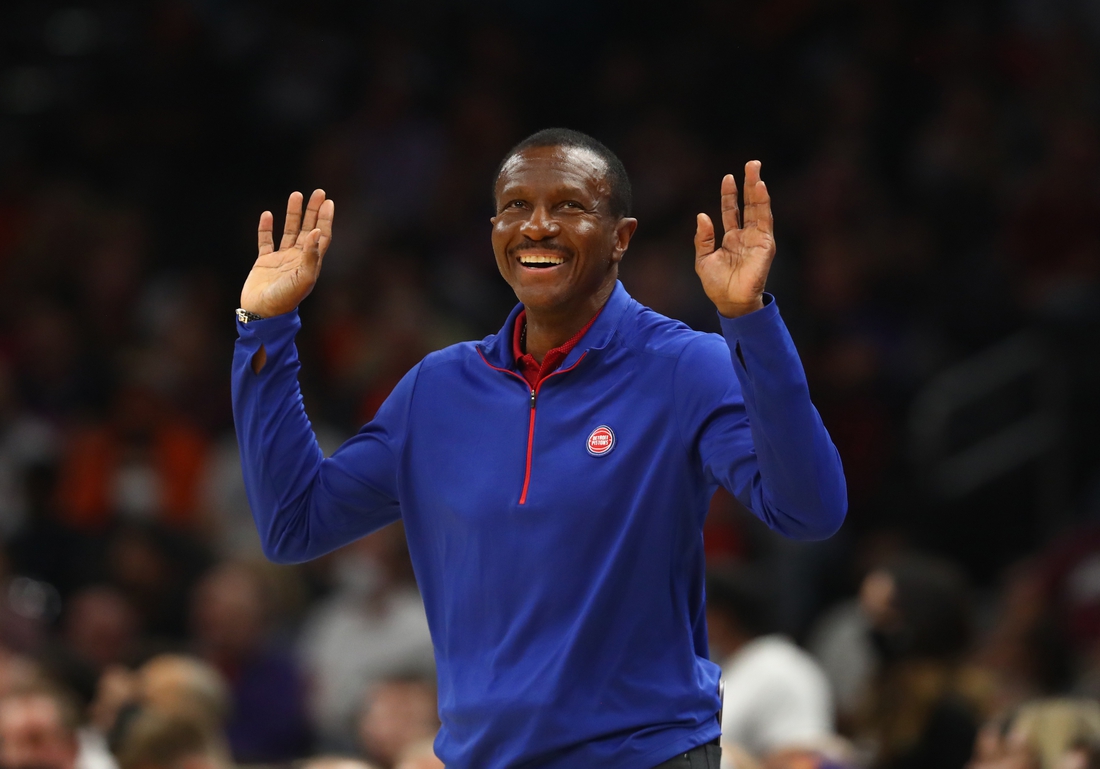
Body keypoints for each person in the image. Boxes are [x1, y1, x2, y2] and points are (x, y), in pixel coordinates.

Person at [232, 128, 847, 769]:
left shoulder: (685, 366)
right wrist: (265, 331)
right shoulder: (437, 389)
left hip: (644, 756)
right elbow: (294, 525)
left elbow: (809, 511)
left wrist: (749, 321)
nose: (538, 226)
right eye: (516, 206)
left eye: (571, 207)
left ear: (621, 237)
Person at [705, 569, 835, 760]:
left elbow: (806, 757)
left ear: (722, 616)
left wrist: (732, 760)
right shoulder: (719, 663)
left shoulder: (781, 666)